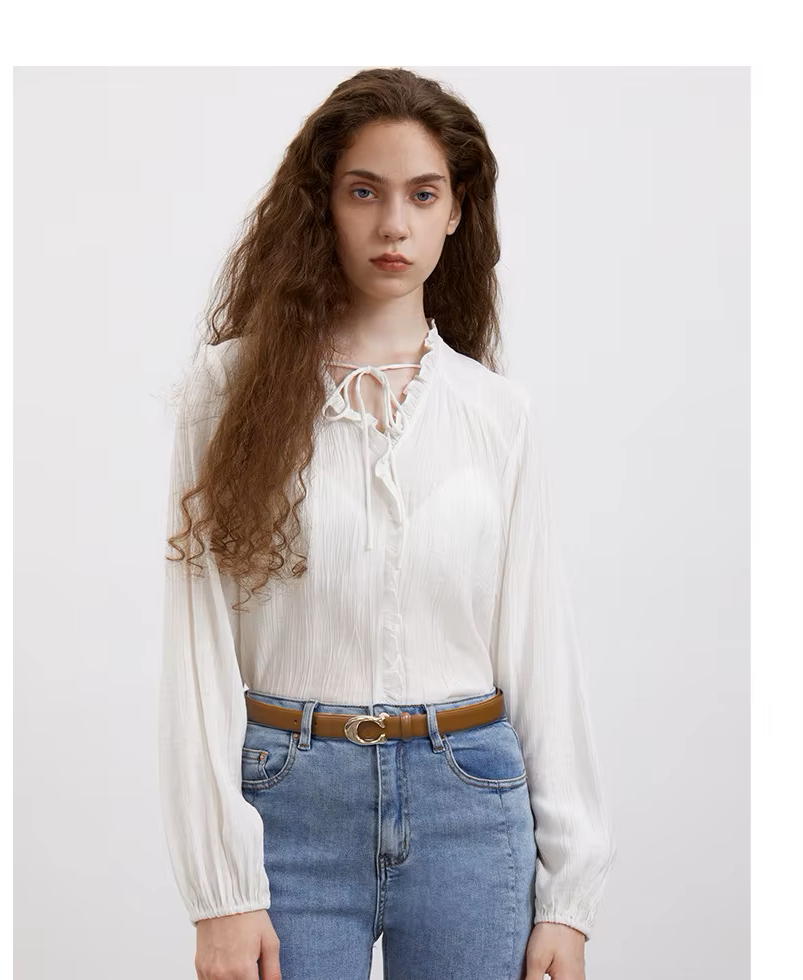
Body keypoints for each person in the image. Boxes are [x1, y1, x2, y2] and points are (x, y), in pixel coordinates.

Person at [159, 67, 617, 980]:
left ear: (456, 211)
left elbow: (538, 645)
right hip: (288, 805)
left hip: (470, 805)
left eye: (422, 194)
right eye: (363, 192)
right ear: (321, 204)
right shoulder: (228, 391)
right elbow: (197, 642)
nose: (393, 224)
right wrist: (221, 890)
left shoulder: (497, 414)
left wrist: (567, 900)